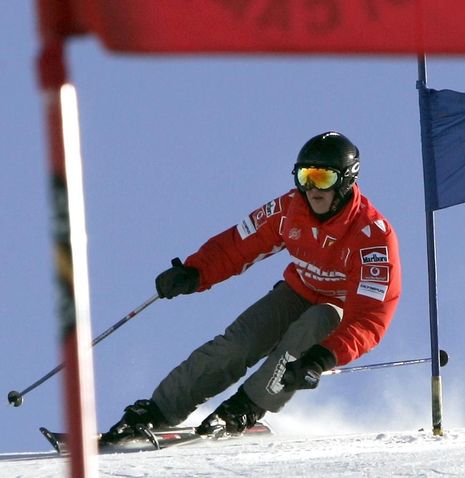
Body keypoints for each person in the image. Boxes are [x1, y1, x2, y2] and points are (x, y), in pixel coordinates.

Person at [102, 131, 402, 442]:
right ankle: (156, 412)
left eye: (322, 178)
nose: (311, 188)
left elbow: (370, 317)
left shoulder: (373, 238)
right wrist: (195, 271)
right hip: (297, 291)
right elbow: (240, 244)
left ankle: (244, 407)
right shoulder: (289, 209)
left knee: (310, 329)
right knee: (237, 344)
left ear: (345, 181)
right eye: (304, 176)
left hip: (337, 310)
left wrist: (322, 357)